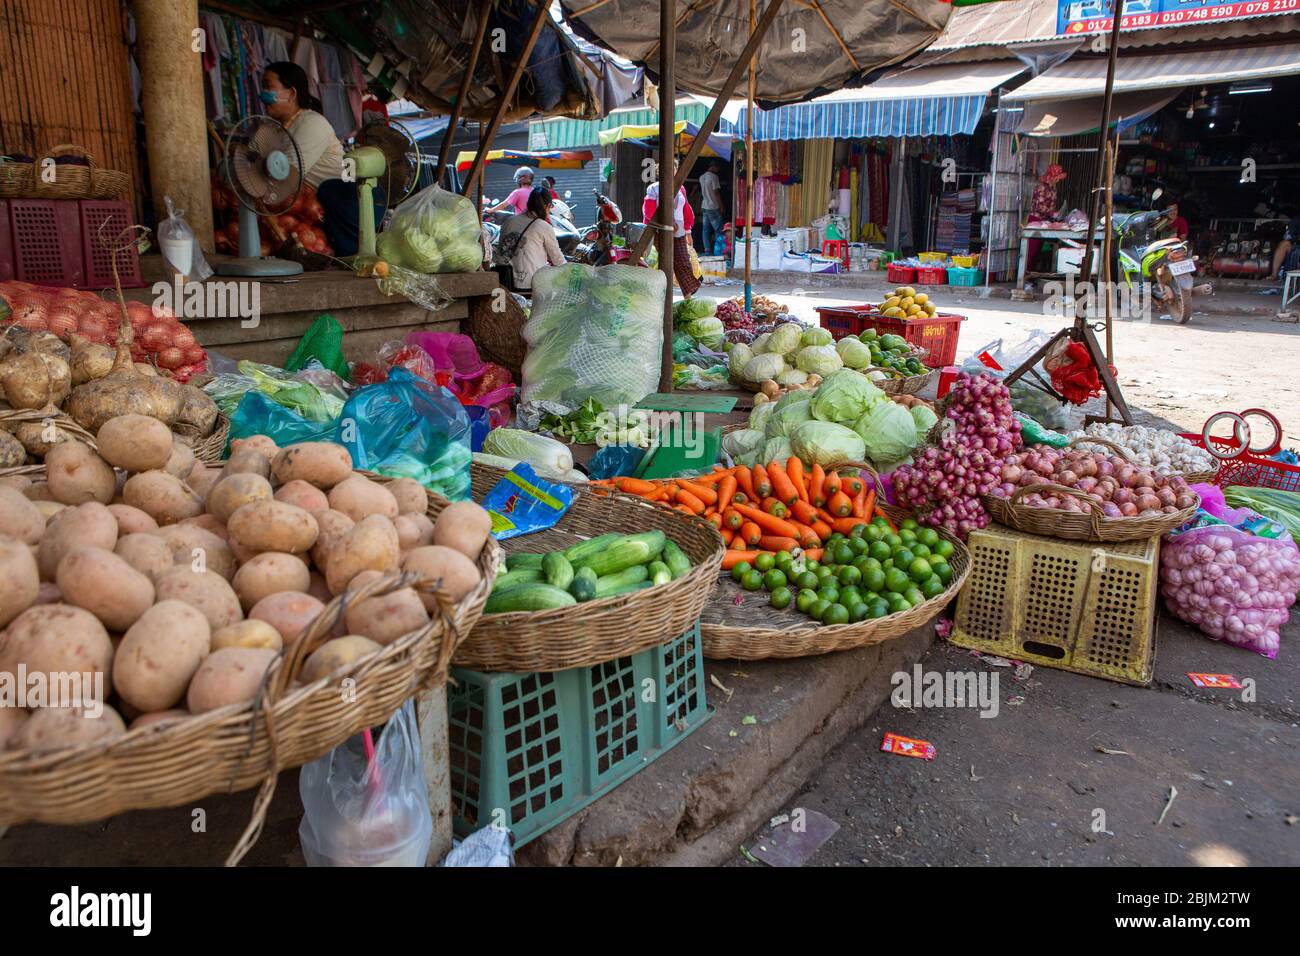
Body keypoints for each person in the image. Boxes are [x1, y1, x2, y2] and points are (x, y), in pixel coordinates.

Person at [262, 61, 371, 258]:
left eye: (269, 87)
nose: (263, 93)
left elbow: (286, 176)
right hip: (306, 212)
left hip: (336, 211)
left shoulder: (311, 123)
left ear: (292, 93)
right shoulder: (278, 130)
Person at [499, 186, 565, 292]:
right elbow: (557, 259)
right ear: (547, 206)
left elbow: (500, 251)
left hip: (505, 281)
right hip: (531, 284)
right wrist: (570, 272)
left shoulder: (508, 221)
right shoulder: (544, 226)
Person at [643, 180, 699, 296]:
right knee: (665, 263)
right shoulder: (653, 188)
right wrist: (666, 220)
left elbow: (686, 210)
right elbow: (648, 211)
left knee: (683, 261)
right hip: (659, 231)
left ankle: (688, 297)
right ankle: (659, 295)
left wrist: (688, 231)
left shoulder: (681, 188)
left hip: (679, 231)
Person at [699, 160, 725, 257]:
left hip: (704, 205)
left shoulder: (701, 177)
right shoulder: (714, 177)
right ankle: (718, 250)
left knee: (705, 230)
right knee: (718, 230)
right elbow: (716, 193)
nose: (718, 170)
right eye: (718, 168)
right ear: (714, 167)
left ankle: (707, 250)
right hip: (713, 206)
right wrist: (721, 206)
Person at [1272, 212, 1300, 279]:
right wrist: (1297, 238)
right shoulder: (1296, 220)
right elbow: (1288, 236)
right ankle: (1274, 275)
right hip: (1297, 245)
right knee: (1284, 244)